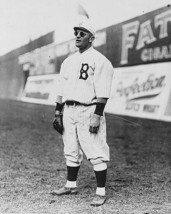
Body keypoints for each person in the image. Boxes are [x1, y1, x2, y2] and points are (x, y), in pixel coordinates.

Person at [51, 19, 114, 206]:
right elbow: (61, 89)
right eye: (76, 32)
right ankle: (71, 185)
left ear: (92, 38)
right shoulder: (68, 61)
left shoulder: (101, 60)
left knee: (96, 150)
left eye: (82, 33)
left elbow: (103, 91)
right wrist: (57, 113)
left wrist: (97, 115)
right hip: (68, 110)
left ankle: (101, 192)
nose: (77, 35)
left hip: (89, 109)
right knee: (70, 148)